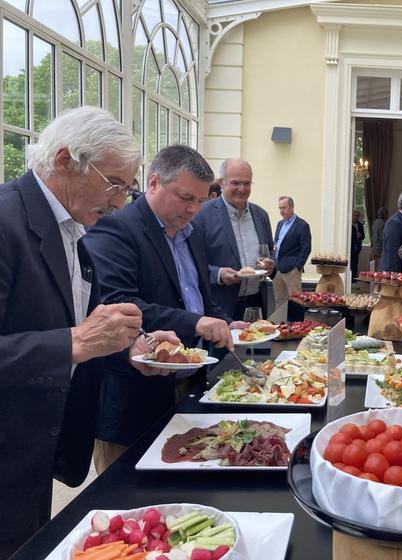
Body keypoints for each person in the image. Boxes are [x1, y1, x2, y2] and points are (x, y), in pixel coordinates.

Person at [0, 106, 174, 558]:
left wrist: (132, 348)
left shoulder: (73, 226)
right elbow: (75, 338)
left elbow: (82, 320)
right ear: (64, 161)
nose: (120, 201)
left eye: (127, 188)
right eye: (114, 184)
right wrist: (75, 342)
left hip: (37, 455)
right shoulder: (5, 222)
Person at [85, 145, 245, 472]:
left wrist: (229, 324)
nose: (193, 210)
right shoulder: (117, 228)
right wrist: (197, 322)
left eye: (201, 201)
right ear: (154, 183)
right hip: (134, 397)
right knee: (130, 500)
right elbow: (120, 304)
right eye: (186, 198)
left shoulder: (193, 232)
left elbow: (202, 299)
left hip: (190, 383)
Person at [191, 158, 275, 320]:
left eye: (247, 183)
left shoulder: (260, 215)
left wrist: (271, 264)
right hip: (219, 306)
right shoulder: (202, 215)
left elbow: (269, 251)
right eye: (235, 183)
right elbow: (192, 262)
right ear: (221, 183)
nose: (241, 189)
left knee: (257, 345)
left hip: (256, 303)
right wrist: (218, 274)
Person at [272, 196, 312, 308]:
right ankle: (281, 324)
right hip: (277, 268)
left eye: (284, 208)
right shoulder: (280, 224)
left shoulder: (302, 225)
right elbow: (277, 242)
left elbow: (306, 248)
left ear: (292, 207)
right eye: (279, 208)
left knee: (296, 301)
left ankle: (296, 325)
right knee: (279, 300)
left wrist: (298, 266)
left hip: (292, 270)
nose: (281, 211)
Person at [350, 209, 365, 279]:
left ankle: (353, 279)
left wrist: (360, 236)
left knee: (355, 264)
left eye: (357, 216)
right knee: (349, 263)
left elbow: (363, 236)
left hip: (357, 247)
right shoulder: (348, 224)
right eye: (354, 215)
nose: (356, 217)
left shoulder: (360, 225)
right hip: (350, 246)